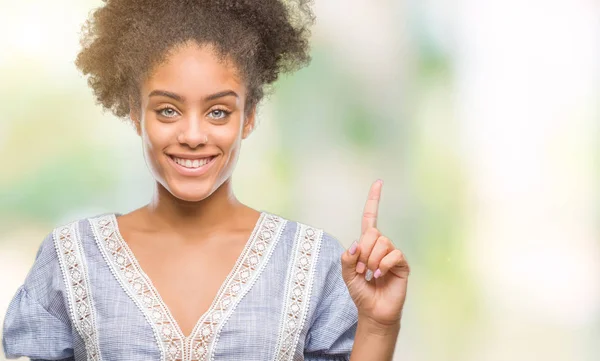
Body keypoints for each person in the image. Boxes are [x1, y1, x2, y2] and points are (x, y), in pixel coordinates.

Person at [2, 0, 410, 360]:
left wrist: (378, 326)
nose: (193, 136)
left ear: (248, 116)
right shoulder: (71, 259)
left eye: (218, 112)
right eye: (167, 110)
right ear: (134, 112)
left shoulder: (313, 262)